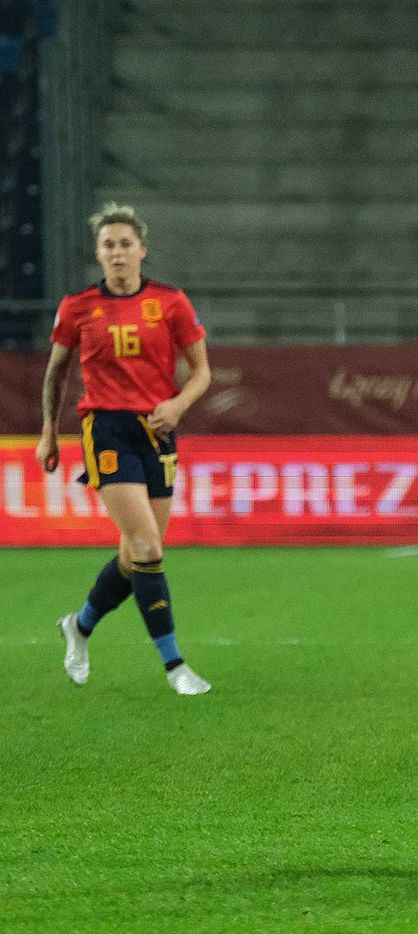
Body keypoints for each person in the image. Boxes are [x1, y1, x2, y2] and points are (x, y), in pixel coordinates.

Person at [37, 202, 213, 695]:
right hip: (105, 429)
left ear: (142, 250)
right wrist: (49, 431)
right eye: (108, 245)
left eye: (125, 244)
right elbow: (56, 374)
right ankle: (175, 665)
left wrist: (177, 405)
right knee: (148, 548)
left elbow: (202, 372)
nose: (117, 253)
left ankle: (80, 625)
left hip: (158, 430)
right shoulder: (78, 307)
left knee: (134, 558)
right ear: (99, 254)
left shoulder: (171, 302)